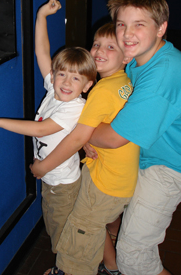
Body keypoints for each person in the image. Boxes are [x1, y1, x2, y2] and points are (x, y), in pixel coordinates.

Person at [0, 0, 97, 254]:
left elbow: (41, 130)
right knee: (56, 226)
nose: (66, 82)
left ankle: (66, 268)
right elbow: (42, 52)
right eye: (61, 74)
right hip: (52, 179)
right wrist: (42, 16)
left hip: (61, 184)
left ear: (86, 86)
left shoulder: (74, 107)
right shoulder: (56, 91)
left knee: (61, 231)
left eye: (76, 78)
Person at [85, 0, 181, 275]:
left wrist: (80, 133)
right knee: (109, 213)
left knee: (135, 257)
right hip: (145, 153)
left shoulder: (163, 73)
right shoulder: (143, 58)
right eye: (121, 24)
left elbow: (114, 137)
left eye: (139, 25)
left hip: (167, 167)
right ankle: (112, 259)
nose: (126, 34)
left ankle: (120, 262)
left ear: (161, 27)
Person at [30, 22, 140, 275]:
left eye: (111, 47)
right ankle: (112, 266)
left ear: (127, 55)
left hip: (104, 180)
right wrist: (89, 139)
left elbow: (77, 137)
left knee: (81, 227)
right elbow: (104, 122)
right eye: (97, 44)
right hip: (120, 176)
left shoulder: (100, 91)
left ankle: (69, 271)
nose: (99, 50)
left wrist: (43, 167)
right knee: (92, 224)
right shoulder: (124, 81)